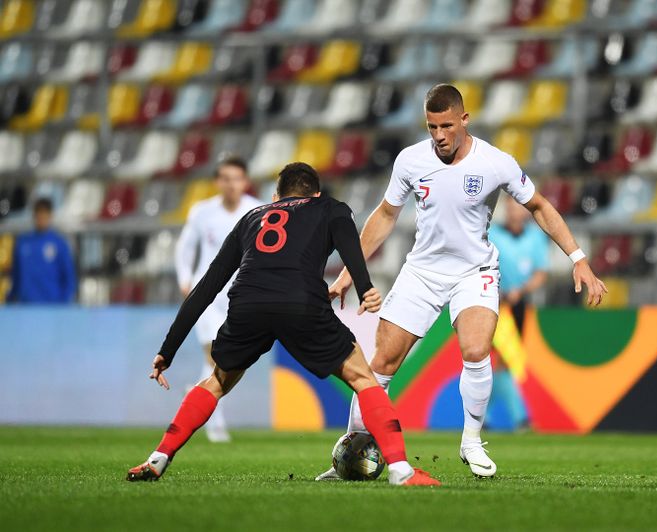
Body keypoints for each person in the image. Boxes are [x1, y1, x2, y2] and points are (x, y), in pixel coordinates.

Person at [319, 84, 607, 480]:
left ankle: (471, 441)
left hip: (475, 272)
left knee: (476, 350)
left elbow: (538, 205)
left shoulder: (495, 162)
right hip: (422, 272)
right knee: (381, 364)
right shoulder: (410, 160)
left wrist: (578, 259)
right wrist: (349, 273)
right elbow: (384, 216)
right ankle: (351, 450)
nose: (439, 135)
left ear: (464, 119)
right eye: (431, 126)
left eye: (447, 126)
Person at [127, 162, 439, 487]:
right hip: (300, 301)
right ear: (316, 194)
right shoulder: (330, 208)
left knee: (216, 381)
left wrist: (168, 349)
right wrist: (364, 288)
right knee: (364, 379)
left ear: (276, 196)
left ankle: (158, 458)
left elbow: (206, 287)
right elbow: (351, 247)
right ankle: (401, 470)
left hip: (247, 304)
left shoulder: (250, 219)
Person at [174, 155, 263, 442]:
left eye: (236, 178)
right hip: (209, 296)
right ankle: (215, 421)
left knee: (227, 362)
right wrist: (185, 280)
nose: (231, 184)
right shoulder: (202, 211)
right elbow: (185, 247)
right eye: (225, 178)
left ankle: (198, 395)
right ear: (217, 182)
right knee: (215, 356)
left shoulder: (258, 211)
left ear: (245, 182)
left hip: (242, 297)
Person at [487, 196, 550, 430]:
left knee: (504, 361)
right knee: (503, 358)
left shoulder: (535, 237)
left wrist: (520, 290)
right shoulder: (493, 234)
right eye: (511, 208)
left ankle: (483, 417)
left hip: (518, 305)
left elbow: (541, 273)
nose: (515, 212)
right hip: (494, 303)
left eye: (519, 208)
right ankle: (520, 417)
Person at [6, 198, 76, 303]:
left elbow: (69, 278)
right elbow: (16, 276)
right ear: (34, 216)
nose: (41, 218)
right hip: (26, 306)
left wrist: (64, 304)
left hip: (52, 306)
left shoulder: (59, 243)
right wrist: (10, 299)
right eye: (38, 214)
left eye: (44, 215)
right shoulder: (23, 242)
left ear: (50, 216)